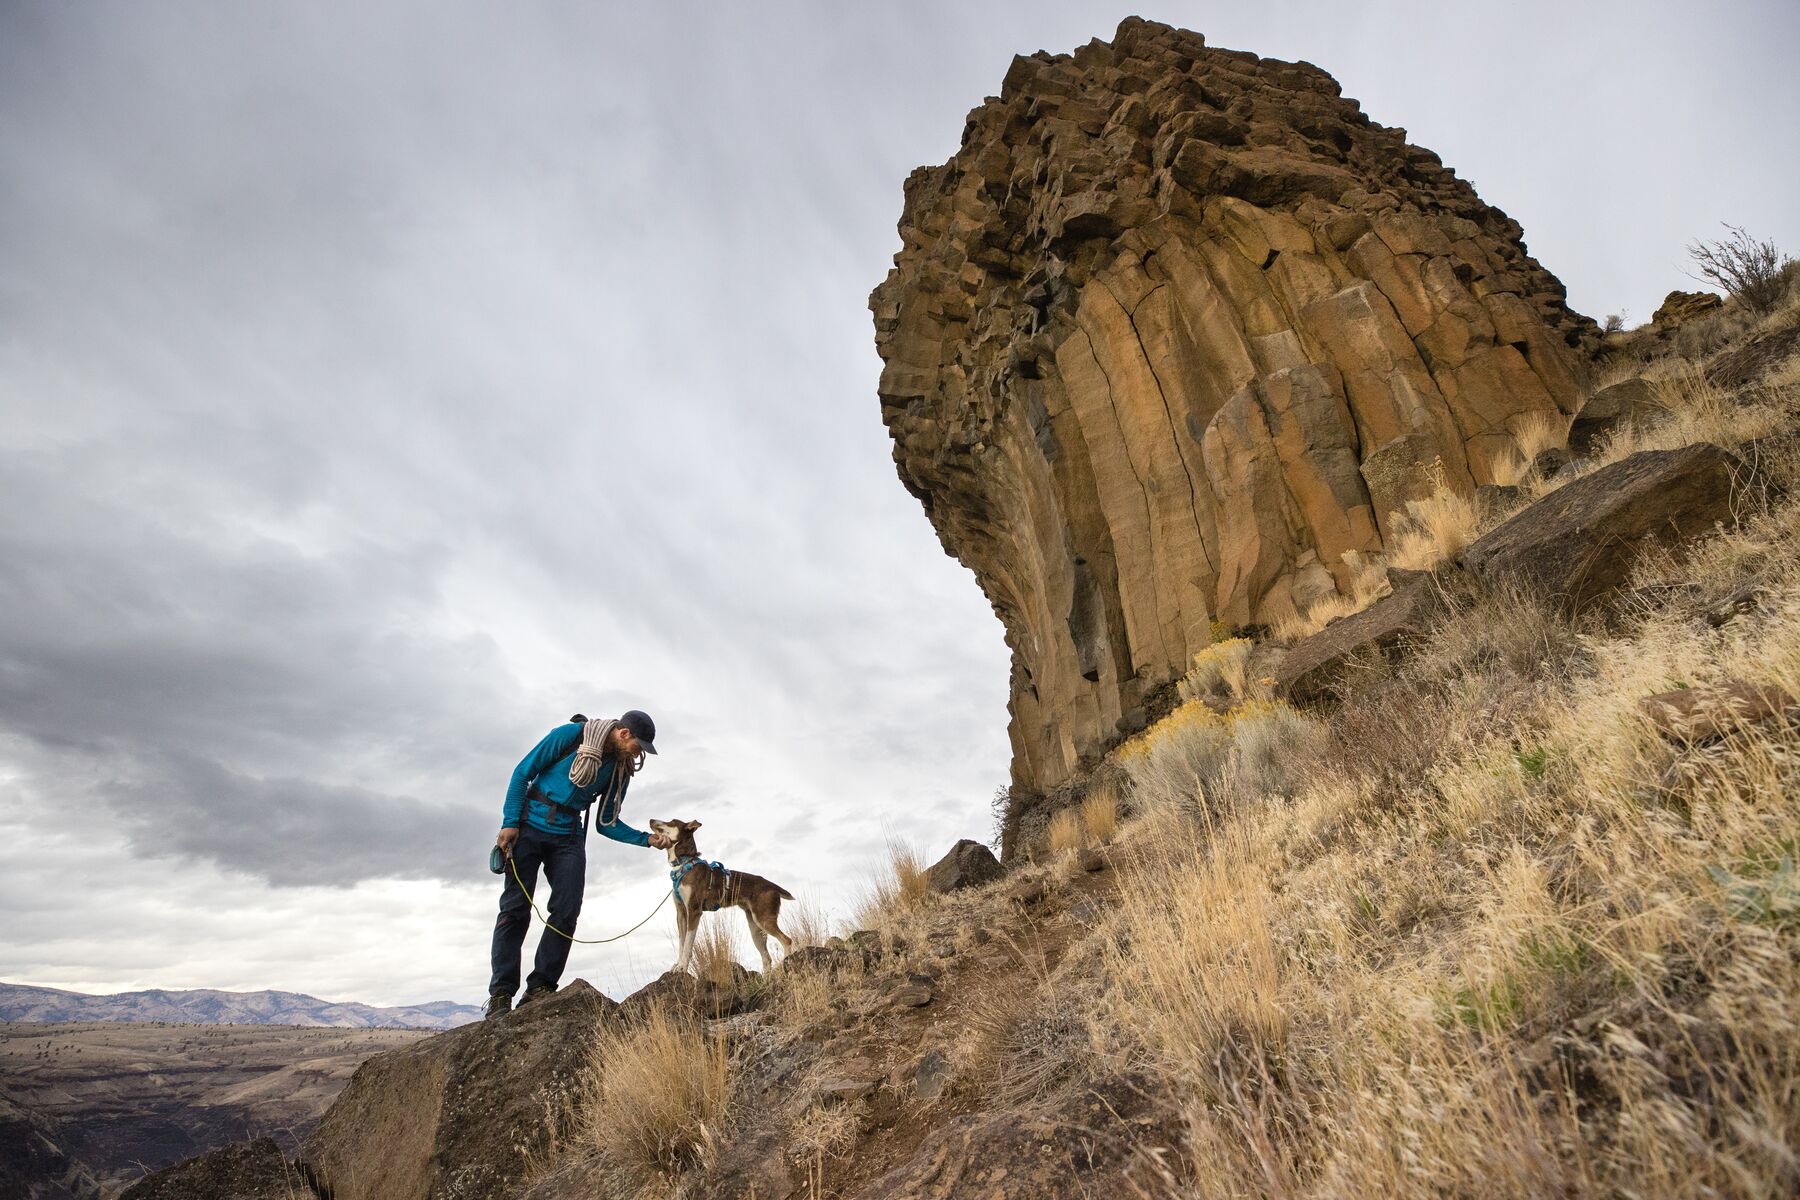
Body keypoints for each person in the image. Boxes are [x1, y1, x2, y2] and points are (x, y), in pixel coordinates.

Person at [486, 709, 670, 1018]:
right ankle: (501, 994)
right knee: (515, 908)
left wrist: (645, 839)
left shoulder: (619, 770)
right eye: (638, 746)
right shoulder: (569, 737)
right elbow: (522, 773)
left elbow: (606, 824)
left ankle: (541, 987)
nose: (639, 755)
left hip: (569, 836)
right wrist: (510, 822)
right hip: (530, 825)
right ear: (624, 734)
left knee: (567, 909)